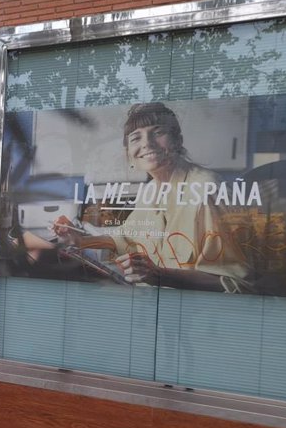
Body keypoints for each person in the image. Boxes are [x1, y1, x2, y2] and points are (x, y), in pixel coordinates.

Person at [48, 102, 253, 292]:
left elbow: (238, 284)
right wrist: (81, 241)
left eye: (158, 132)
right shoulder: (150, 190)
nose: (147, 143)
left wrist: (160, 276)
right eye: (136, 137)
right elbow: (124, 238)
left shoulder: (207, 189)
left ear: (178, 141)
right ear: (129, 153)